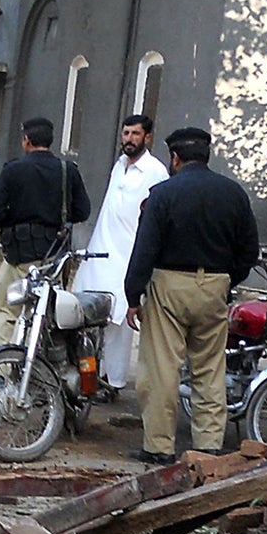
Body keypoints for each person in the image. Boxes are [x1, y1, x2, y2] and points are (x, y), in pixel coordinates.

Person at [123, 127, 260, 464]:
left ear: (175, 158)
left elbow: (145, 250)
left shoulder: (163, 194)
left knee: (161, 369)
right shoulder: (234, 194)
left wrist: (133, 295)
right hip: (215, 285)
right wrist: (227, 281)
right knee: (210, 369)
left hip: (169, 286)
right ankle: (209, 447)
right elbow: (249, 250)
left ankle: (159, 447)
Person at [77, 115, 168, 396]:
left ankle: (112, 383)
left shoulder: (156, 172)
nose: (129, 138)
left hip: (128, 256)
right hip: (99, 253)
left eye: (135, 134)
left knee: (118, 323)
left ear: (148, 137)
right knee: (86, 319)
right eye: (126, 133)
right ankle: (89, 381)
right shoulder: (119, 165)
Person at [0, 118, 92, 346]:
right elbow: (83, 211)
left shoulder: (13, 170)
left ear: (27, 140)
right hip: (53, 257)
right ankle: (46, 368)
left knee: (3, 311)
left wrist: (14, 223)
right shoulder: (67, 170)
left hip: (18, 256)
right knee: (51, 314)